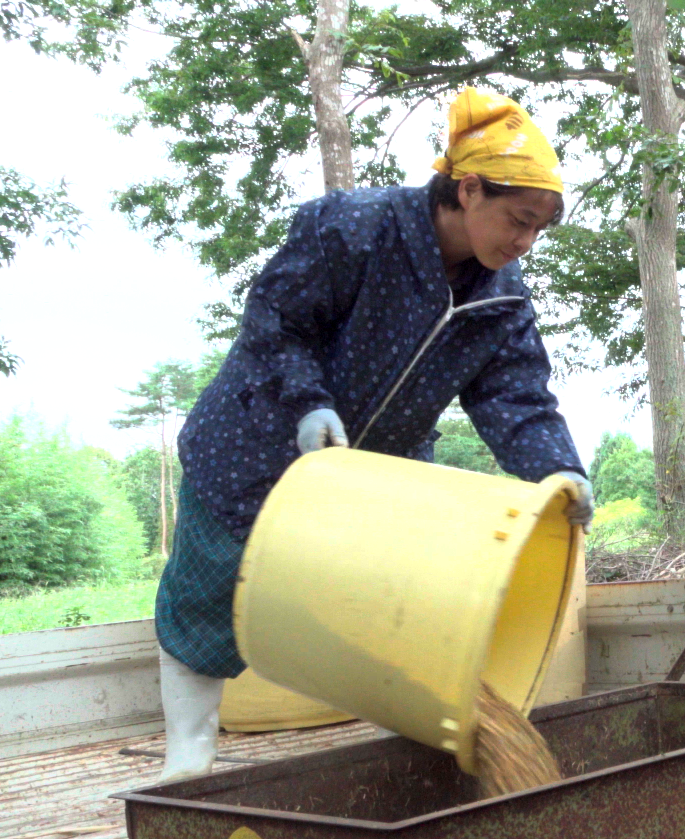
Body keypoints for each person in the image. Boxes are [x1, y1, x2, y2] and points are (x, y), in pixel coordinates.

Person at [153, 88, 592, 783]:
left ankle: (411, 763)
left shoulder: (502, 294)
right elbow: (276, 320)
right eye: (519, 220)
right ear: (469, 189)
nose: (524, 243)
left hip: (375, 478)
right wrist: (308, 401)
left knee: (391, 607)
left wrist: (559, 471)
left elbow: (515, 394)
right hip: (255, 446)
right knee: (206, 594)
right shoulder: (355, 228)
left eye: (539, 229)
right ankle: (187, 766)